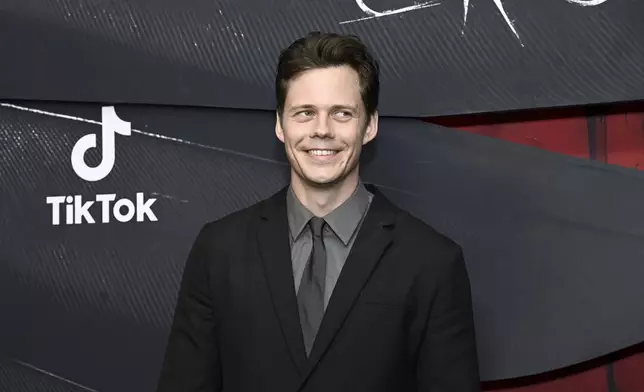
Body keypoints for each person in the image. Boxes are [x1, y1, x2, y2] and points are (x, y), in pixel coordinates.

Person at [156, 31, 480, 392]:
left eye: (341, 113)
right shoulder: (219, 250)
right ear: (281, 124)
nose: (322, 130)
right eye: (305, 113)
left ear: (369, 125)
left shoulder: (431, 262)